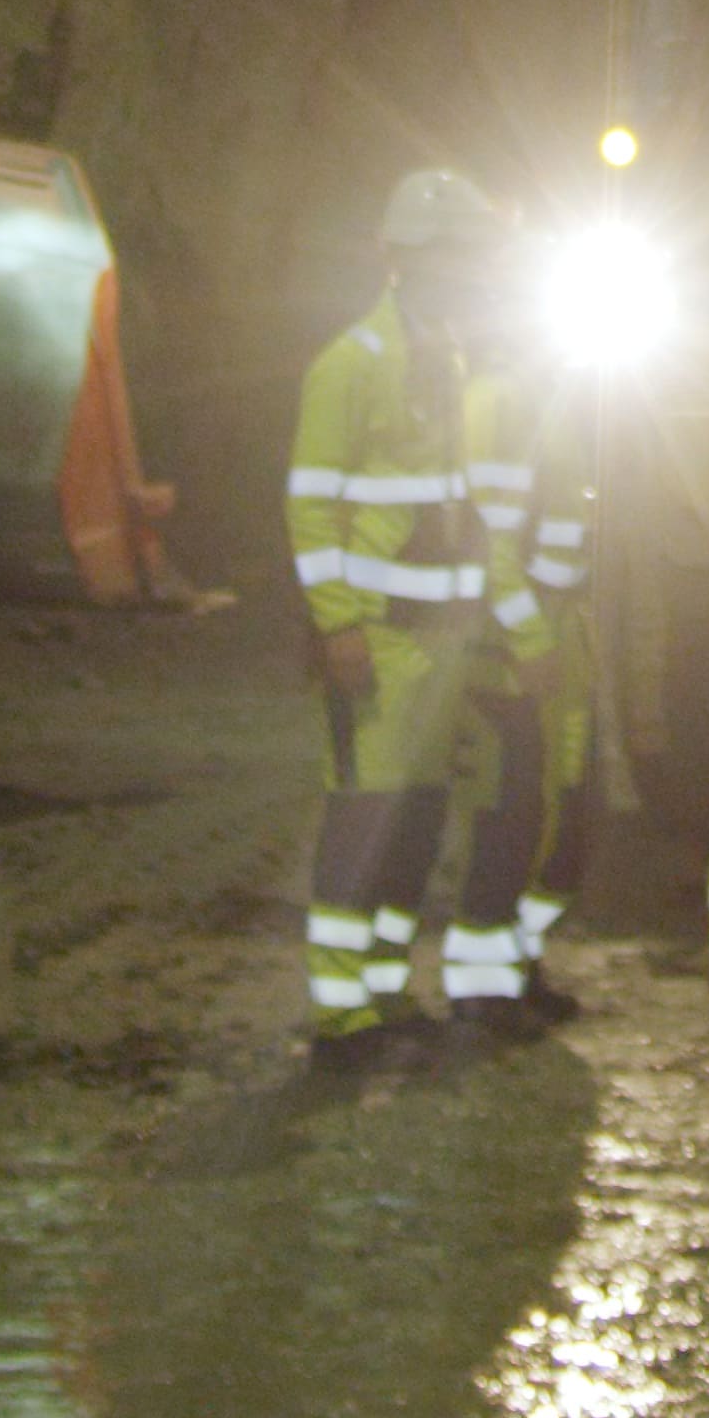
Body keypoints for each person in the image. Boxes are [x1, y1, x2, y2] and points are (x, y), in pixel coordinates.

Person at [284, 166, 508, 1068]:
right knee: (363, 816)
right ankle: (339, 1013)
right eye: (450, 253)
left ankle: (383, 988)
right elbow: (309, 504)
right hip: (377, 633)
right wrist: (337, 623)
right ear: (403, 257)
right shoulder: (350, 363)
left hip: (437, 630)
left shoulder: (445, 356)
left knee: (415, 819)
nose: (465, 269)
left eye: (469, 254)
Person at [443, 223, 603, 1039]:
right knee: (509, 823)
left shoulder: (549, 402)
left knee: (564, 818)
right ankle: (481, 989)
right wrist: (530, 639)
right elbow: (488, 537)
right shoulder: (500, 402)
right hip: (512, 656)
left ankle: (517, 961)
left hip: (558, 644)